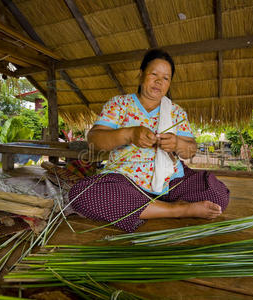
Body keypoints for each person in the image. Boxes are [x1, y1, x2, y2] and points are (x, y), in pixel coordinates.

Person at [68, 49, 230, 232]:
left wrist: (177, 144)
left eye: (166, 78)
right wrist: (128, 134)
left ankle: (146, 207)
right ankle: (178, 209)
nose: (159, 81)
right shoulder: (119, 104)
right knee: (82, 195)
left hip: (171, 181)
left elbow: (190, 150)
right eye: (154, 74)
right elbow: (95, 140)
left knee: (217, 195)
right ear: (140, 75)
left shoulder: (176, 112)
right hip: (125, 180)